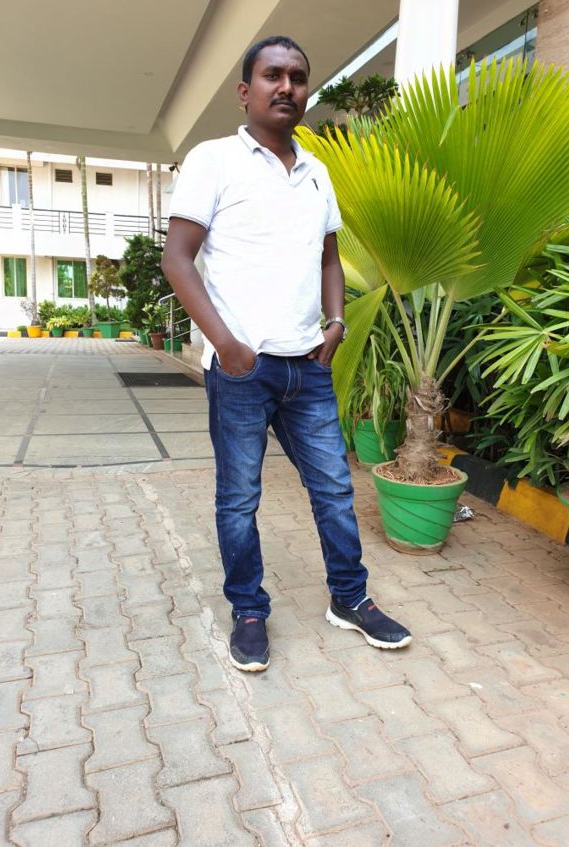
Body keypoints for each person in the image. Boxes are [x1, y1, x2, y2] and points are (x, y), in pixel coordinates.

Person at [161, 35, 411, 672]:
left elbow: (329, 258)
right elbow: (177, 259)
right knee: (239, 499)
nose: (287, 87)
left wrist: (336, 322)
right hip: (242, 370)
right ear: (245, 91)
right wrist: (226, 345)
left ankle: (350, 599)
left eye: (297, 77)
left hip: (309, 367)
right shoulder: (214, 160)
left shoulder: (317, 172)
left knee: (334, 490)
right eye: (272, 75)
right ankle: (249, 611)